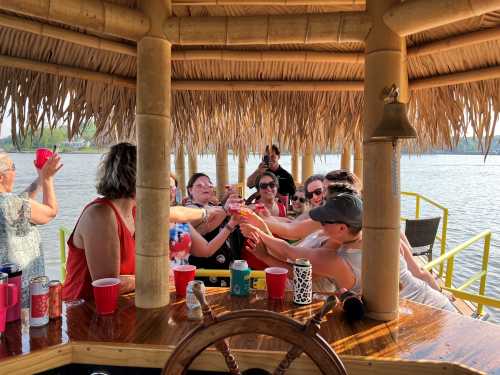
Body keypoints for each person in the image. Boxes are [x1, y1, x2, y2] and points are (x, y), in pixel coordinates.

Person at [242, 194, 455, 311]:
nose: (320, 224)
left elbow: (288, 251)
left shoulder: (337, 260)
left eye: (325, 221)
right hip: (435, 303)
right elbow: (418, 272)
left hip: (423, 313)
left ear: (342, 228)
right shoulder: (384, 236)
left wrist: (258, 228)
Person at [63, 143, 210, 301]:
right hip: (84, 312)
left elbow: (176, 213)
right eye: (155, 176)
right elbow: (110, 285)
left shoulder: (135, 210)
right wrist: (157, 276)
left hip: (126, 306)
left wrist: (207, 212)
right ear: (139, 177)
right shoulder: (101, 215)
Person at [0, 152, 62, 307]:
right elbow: (50, 211)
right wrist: (47, 179)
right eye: (12, 167)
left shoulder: (11, 204)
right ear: (1, 177)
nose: (15, 171)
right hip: (22, 296)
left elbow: (23, 201)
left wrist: (41, 176)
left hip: (6, 291)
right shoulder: (12, 204)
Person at [184, 173, 245, 286]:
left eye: (209, 184)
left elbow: (216, 214)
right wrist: (225, 209)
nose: (205, 187)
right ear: (190, 190)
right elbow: (204, 218)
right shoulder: (189, 209)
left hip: (225, 271)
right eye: (200, 185)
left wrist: (233, 201)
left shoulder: (214, 207)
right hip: (205, 273)